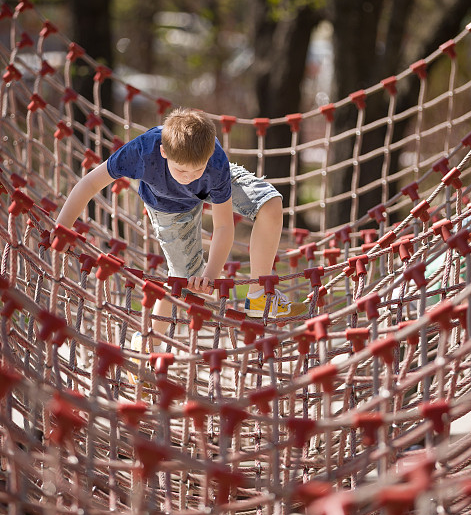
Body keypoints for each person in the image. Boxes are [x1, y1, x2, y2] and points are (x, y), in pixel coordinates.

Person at [54, 108, 306, 343]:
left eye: (196, 170)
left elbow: (223, 226)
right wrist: (62, 229)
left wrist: (210, 275)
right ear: (164, 152)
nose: (188, 177)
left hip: (211, 185)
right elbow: (89, 184)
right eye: (181, 170)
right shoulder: (143, 151)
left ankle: (258, 294)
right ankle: (146, 341)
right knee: (183, 281)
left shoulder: (215, 165)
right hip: (167, 205)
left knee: (270, 203)